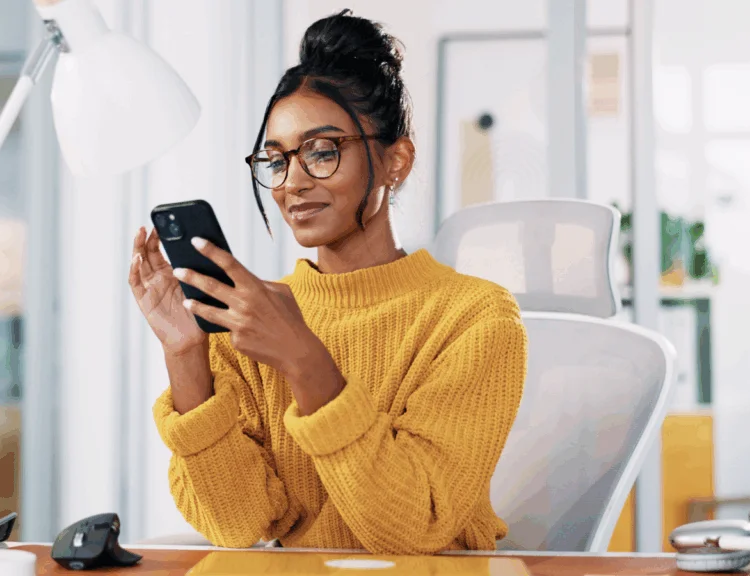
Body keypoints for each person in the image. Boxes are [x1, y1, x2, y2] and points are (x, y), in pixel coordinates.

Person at [127, 9, 527, 555]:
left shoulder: (474, 317)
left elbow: (413, 530)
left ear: (397, 162)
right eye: (275, 159)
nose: (292, 182)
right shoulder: (250, 317)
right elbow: (238, 525)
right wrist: (187, 356)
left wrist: (304, 360)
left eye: (322, 151)